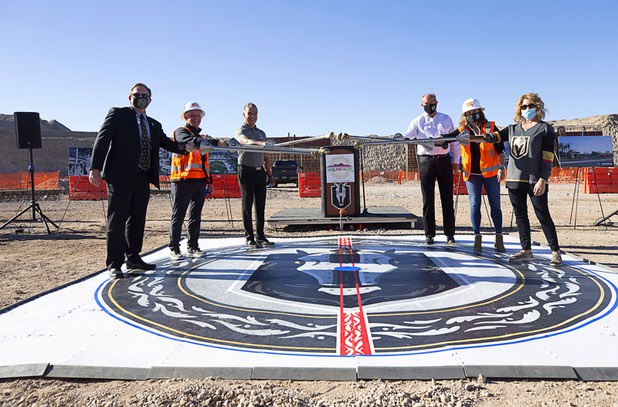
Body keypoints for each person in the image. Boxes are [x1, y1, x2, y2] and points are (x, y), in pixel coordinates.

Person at [89, 83, 194, 278]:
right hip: (119, 177)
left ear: (150, 100)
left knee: (137, 219)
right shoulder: (118, 115)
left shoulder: (153, 124)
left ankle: (134, 258)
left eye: (144, 95)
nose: (140, 97)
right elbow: (102, 140)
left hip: (142, 177)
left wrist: (185, 147)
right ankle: (114, 263)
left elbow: (166, 143)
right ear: (130, 98)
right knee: (117, 220)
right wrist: (95, 168)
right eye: (136, 95)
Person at [483, 92, 562, 266]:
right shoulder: (512, 129)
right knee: (520, 216)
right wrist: (483, 135)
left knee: (543, 215)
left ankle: (555, 251)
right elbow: (495, 137)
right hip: (514, 179)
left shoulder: (544, 129)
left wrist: (543, 178)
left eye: (530, 106)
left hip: (535, 180)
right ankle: (526, 250)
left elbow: (548, 157)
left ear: (538, 107)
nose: (527, 109)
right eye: (524, 106)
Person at [442, 98, 506, 252]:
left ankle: (499, 237)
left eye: (475, 112)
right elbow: (448, 137)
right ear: (465, 115)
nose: (472, 114)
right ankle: (477, 238)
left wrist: (502, 167)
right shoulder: (462, 130)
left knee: (495, 205)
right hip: (472, 174)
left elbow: (500, 149)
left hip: (491, 174)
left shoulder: (491, 127)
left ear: (480, 112)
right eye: (469, 113)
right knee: (474, 205)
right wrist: (441, 141)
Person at [168, 102, 224, 260]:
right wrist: (213, 142)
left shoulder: (201, 138)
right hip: (182, 180)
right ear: (185, 117)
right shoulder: (180, 132)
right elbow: (188, 140)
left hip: (199, 180)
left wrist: (209, 179)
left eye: (198, 115)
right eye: (192, 115)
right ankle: (174, 248)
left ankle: (193, 246)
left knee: (195, 215)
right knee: (178, 215)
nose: (196, 117)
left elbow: (204, 161)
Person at [403, 93, 460, 244]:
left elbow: (454, 142)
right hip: (426, 162)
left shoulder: (446, 119)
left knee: (447, 198)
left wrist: (456, 161)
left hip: (444, 161)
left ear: (437, 102)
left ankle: (450, 234)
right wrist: (400, 137)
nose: (431, 104)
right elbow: (408, 136)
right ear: (422, 105)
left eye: (433, 102)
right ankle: (429, 234)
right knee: (428, 199)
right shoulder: (417, 121)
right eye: (428, 103)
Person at [235, 102, 275, 249]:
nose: (252, 116)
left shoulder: (261, 133)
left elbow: (266, 156)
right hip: (246, 171)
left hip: (260, 172)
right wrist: (261, 144)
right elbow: (245, 141)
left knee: (260, 205)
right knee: (247, 205)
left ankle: (260, 236)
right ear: (244, 114)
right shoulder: (241, 131)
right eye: (249, 113)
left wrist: (269, 174)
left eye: (255, 114)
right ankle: (249, 237)